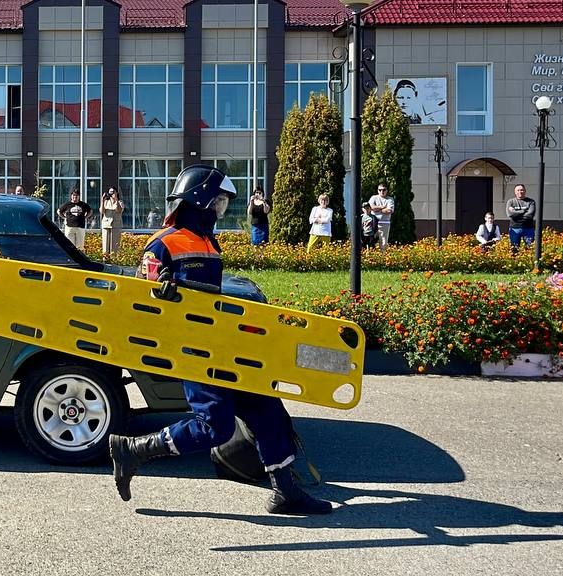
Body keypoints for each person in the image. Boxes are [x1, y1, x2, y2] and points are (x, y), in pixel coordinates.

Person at [108, 164, 332, 515]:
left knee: (265, 406)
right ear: (200, 201)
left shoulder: (207, 241)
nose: (221, 210)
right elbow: (138, 300)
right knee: (215, 426)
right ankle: (133, 450)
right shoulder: (163, 243)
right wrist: (159, 292)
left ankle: (285, 490)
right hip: (192, 348)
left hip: (221, 342)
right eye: (219, 202)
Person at [506, 184, 537, 253]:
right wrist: (523, 211)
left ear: (525, 191)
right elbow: (510, 214)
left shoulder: (531, 202)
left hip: (528, 228)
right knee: (514, 249)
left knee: (530, 248)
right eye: (518, 190)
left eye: (522, 190)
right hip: (514, 228)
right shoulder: (511, 202)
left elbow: (530, 215)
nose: (520, 192)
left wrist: (515, 212)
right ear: (515, 192)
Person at [366, 184, 395, 251]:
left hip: (384, 223)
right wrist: (383, 207)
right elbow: (370, 207)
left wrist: (376, 209)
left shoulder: (390, 199)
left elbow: (389, 211)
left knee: (383, 242)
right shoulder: (374, 197)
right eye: (380, 190)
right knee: (371, 241)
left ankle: (382, 258)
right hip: (373, 223)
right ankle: (370, 257)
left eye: (384, 190)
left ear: (387, 190)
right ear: (378, 191)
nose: (382, 191)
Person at [99, 188, 125, 261]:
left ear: (116, 192)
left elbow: (119, 210)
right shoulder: (106, 202)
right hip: (106, 224)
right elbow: (102, 211)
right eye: (110, 192)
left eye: (113, 192)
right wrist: (102, 200)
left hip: (116, 225)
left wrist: (116, 199)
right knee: (105, 244)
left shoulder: (120, 202)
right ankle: (105, 259)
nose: (112, 193)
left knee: (115, 244)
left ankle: (114, 259)